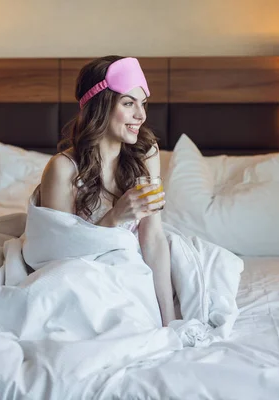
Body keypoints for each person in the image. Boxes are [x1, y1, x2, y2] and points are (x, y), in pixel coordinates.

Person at [38, 55, 175, 327]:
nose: (141, 115)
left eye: (143, 104)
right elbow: (59, 261)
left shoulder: (146, 153)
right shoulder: (63, 169)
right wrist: (115, 217)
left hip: (133, 274)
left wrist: (169, 321)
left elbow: (153, 238)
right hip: (81, 283)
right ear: (99, 107)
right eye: (128, 103)